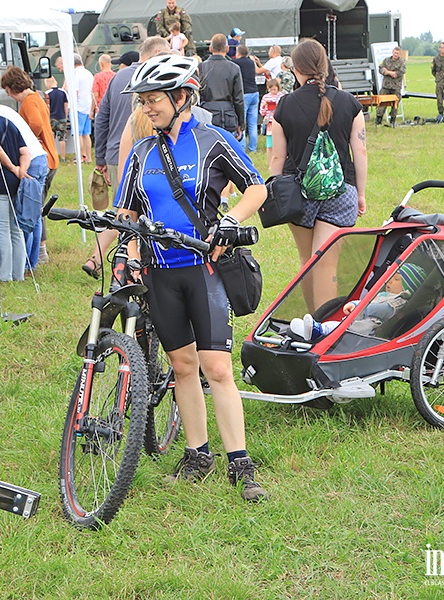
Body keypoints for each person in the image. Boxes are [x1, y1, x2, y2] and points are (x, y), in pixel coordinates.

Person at [115, 55, 268, 502]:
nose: (147, 108)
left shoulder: (212, 141)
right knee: (182, 366)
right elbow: (127, 212)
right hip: (161, 274)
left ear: (183, 96)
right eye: (143, 102)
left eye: (154, 99)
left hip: (203, 269)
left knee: (217, 367)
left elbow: (256, 187)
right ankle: (197, 454)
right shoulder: (142, 153)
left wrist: (229, 221)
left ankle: (240, 463)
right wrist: (124, 246)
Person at [269, 38, 367, 313]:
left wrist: (274, 193)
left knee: (306, 259)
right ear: (324, 65)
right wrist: (359, 193)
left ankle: (312, 322)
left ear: (295, 69)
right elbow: (360, 152)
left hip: (299, 194)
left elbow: (277, 157)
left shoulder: (285, 105)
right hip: (340, 191)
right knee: (326, 263)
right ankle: (326, 329)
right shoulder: (349, 102)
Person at [87, 37, 170, 278]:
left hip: (115, 153)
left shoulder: (118, 78)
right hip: (146, 155)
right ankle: (128, 264)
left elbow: (101, 118)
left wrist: (101, 157)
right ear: (156, 54)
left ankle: (99, 258)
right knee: (133, 216)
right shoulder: (155, 79)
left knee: (122, 212)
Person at [1, 66, 59, 268]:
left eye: (7, 91)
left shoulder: (28, 101)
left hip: (40, 157)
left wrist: (25, 138)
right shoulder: (37, 97)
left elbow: (35, 123)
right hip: (50, 157)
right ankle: (37, 254)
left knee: (32, 210)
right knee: (35, 210)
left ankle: (37, 254)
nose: (8, 95)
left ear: (12, 87)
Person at [289, 263, 426, 341]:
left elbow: (384, 310)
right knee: (338, 325)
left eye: (397, 279)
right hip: (358, 321)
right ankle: (311, 331)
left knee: (340, 328)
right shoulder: (384, 295)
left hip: (368, 329)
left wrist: (358, 306)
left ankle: (317, 331)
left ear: (408, 287)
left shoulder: (399, 301)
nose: (390, 281)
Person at [0, 86, 30, 282]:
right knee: (17, 229)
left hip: (0, 182)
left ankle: (4, 275)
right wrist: (22, 170)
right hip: (17, 183)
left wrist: (12, 167)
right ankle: (18, 274)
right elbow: (25, 151)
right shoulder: (9, 122)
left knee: (3, 229)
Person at [198, 34, 244, 141]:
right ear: (227, 49)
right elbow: (239, 99)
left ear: (210, 48)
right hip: (227, 115)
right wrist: (241, 123)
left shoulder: (201, 67)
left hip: (207, 113)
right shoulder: (234, 68)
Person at [232, 45, 260, 154]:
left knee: (242, 121)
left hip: (244, 93)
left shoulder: (236, 63)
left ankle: (242, 147)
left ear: (238, 53)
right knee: (253, 123)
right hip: (255, 92)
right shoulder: (250, 62)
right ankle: (253, 148)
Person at [70, 53, 94, 163]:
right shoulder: (88, 73)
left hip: (78, 107)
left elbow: (75, 92)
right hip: (87, 106)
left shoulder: (75, 75)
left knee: (77, 134)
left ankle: (79, 157)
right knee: (86, 134)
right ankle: (88, 157)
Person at [376, 46, 405, 126]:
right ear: (392, 52)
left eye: (397, 53)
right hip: (386, 86)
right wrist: (389, 73)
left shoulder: (402, 62)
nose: (396, 54)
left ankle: (393, 120)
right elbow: (381, 68)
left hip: (396, 86)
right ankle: (378, 120)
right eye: (395, 53)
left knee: (395, 104)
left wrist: (388, 72)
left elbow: (401, 72)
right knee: (382, 102)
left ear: (400, 54)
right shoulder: (386, 60)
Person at [259, 77, 284, 163]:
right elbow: (262, 112)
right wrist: (265, 106)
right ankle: (270, 162)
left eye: (275, 89)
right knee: (269, 144)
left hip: (278, 121)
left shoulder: (281, 96)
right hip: (269, 122)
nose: (273, 92)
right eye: (271, 90)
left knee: (278, 143)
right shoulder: (266, 97)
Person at [44, 77, 68, 161]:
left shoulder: (47, 93)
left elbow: (47, 106)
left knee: (51, 138)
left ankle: (53, 156)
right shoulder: (63, 92)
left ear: (48, 84)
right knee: (62, 138)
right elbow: (66, 106)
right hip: (61, 117)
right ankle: (63, 157)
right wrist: (65, 117)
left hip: (51, 118)